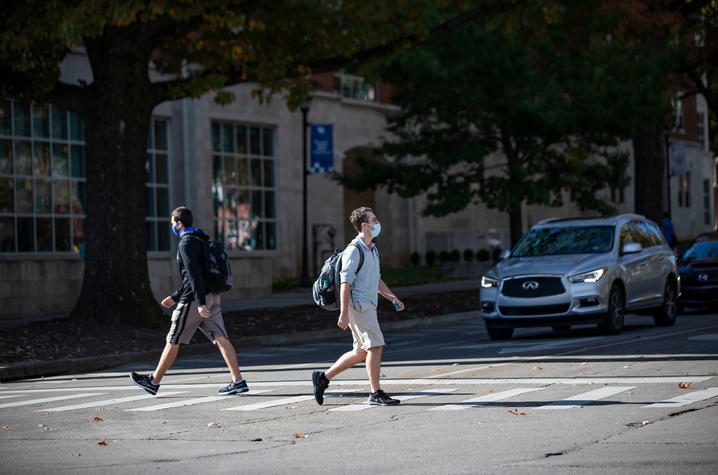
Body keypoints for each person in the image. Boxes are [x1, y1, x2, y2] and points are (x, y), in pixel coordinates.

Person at [130, 206, 248, 396]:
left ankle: (153, 382)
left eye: (172, 224)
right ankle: (238, 381)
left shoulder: (186, 243)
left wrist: (199, 302)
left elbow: (194, 276)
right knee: (220, 337)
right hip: (212, 296)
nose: (172, 227)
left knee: (173, 339)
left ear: (179, 223)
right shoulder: (201, 239)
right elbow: (195, 276)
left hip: (195, 300)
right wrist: (175, 297)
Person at [311, 207, 406, 406]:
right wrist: (344, 313)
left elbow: (376, 279)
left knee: (361, 352)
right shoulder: (354, 250)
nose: (378, 223)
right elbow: (345, 283)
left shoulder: (372, 249)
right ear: (364, 225)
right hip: (358, 305)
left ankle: (323, 378)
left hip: (368, 304)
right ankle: (376, 392)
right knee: (375, 346)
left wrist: (392, 298)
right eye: (374, 220)